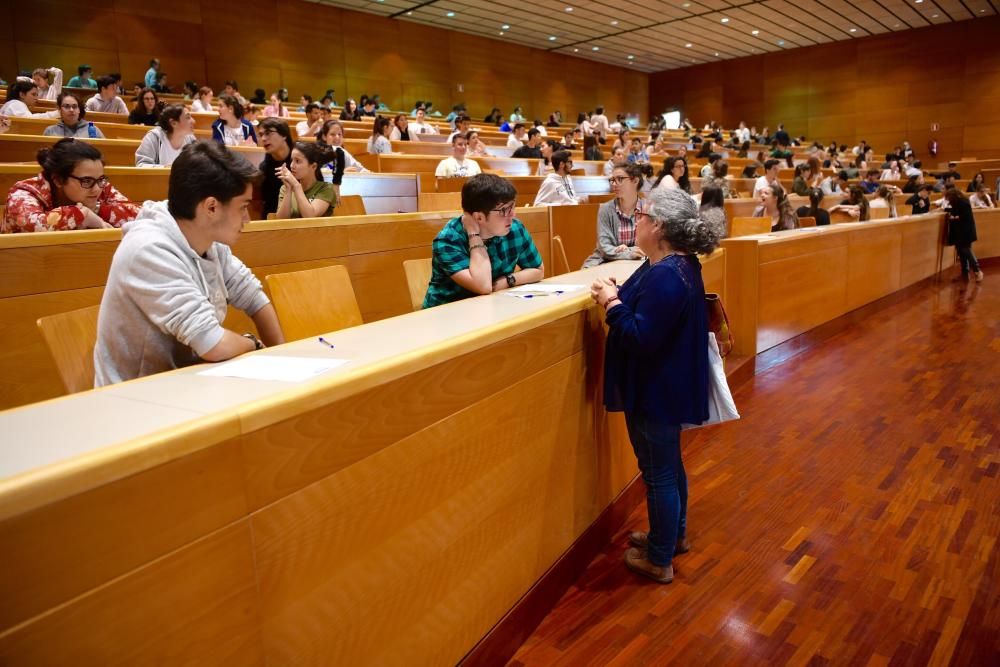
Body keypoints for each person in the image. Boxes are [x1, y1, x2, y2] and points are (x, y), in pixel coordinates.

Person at [589, 187, 723, 584]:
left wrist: (611, 304)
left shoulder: (668, 274)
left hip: (656, 389)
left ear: (659, 226)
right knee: (667, 467)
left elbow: (642, 337)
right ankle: (671, 536)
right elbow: (645, 306)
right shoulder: (670, 263)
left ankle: (660, 558)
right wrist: (617, 291)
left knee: (658, 473)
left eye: (643, 216)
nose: (638, 221)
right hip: (665, 384)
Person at [94, 141, 284, 385]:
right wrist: (253, 343)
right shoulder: (148, 249)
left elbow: (254, 298)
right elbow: (213, 344)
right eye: (243, 207)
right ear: (211, 207)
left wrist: (280, 355)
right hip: (137, 398)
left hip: (186, 382)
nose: (247, 218)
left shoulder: (209, 241)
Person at [423, 174, 543, 308]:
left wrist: (508, 280)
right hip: (447, 315)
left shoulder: (514, 228)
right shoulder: (447, 240)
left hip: (491, 308)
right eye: (504, 210)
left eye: (513, 207)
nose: (512, 215)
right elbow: (483, 286)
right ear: (479, 217)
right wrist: (474, 235)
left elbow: (538, 270)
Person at [3, 138, 139, 233]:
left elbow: (138, 214)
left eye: (101, 179)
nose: (97, 189)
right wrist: (82, 214)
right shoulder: (24, 192)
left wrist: (97, 209)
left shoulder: (99, 185)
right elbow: (33, 225)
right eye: (86, 181)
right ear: (58, 180)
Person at [583, 162, 647, 268]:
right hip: (605, 262)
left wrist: (627, 249)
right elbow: (605, 248)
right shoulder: (605, 209)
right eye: (613, 180)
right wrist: (629, 253)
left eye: (620, 179)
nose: (614, 184)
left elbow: (652, 244)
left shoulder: (648, 208)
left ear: (635, 181)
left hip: (637, 263)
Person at [274, 142, 338, 219]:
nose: (291, 165)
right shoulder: (285, 188)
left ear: (313, 166)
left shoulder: (326, 189)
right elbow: (281, 221)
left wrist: (296, 186)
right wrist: (288, 190)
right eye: (292, 160)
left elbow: (309, 216)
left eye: (297, 161)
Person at [944, 189, 983, 282]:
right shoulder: (959, 202)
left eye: (949, 198)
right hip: (960, 232)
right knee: (961, 252)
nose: (949, 200)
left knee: (966, 251)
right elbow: (957, 210)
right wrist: (945, 210)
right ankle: (964, 274)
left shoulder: (963, 202)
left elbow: (965, 216)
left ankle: (977, 271)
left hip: (965, 232)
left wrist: (954, 217)